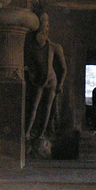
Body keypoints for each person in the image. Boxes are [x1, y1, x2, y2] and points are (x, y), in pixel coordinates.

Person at [24, 11, 67, 140]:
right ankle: (27, 132)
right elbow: (29, 64)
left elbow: (64, 68)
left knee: (47, 108)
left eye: (46, 27)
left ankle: (41, 134)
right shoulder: (32, 48)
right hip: (39, 80)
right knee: (34, 107)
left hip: (51, 80)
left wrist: (60, 83)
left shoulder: (54, 47)